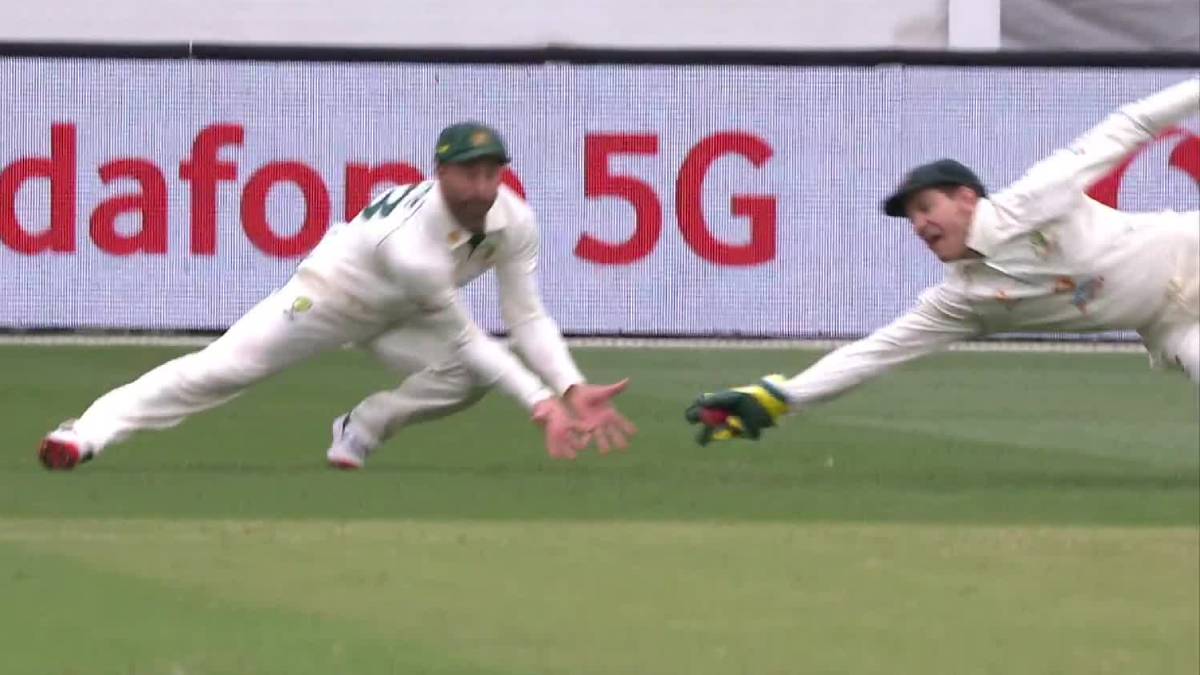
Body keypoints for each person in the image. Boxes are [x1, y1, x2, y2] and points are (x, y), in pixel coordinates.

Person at [39, 122, 635, 469]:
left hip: (404, 317)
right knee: (219, 371)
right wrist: (537, 401)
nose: (482, 186)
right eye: (469, 173)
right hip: (328, 298)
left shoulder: (515, 220)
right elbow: (467, 336)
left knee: (468, 377)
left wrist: (570, 386)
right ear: (440, 173)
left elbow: (525, 315)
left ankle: (365, 425)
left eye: (491, 173)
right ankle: (86, 433)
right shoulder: (413, 244)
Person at [685, 78, 1199, 445]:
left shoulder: (1035, 198)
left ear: (967, 199)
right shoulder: (963, 301)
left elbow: (1132, 123)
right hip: (1171, 323)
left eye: (927, 207)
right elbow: (875, 353)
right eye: (911, 217)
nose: (921, 225)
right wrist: (778, 397)